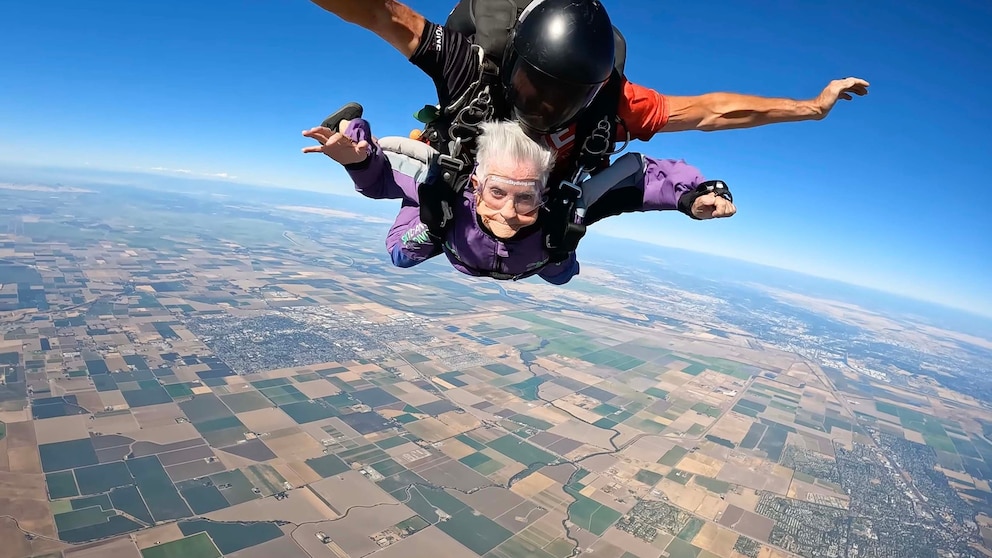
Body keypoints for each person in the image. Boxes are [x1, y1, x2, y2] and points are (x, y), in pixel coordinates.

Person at [301, 116, 736, 284]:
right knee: (404, 253)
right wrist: (355, 158)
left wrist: (691, 196)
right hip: (443, 226)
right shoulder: (447, 190)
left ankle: (554, 246)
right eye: (497, 192)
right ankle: (430, 223)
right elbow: (383, 176)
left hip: (531, 256)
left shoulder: (561, 211)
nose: (509, 212)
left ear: (542, 193)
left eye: (525, 198)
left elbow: (636, 178)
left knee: (562, 265)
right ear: (475, 183)